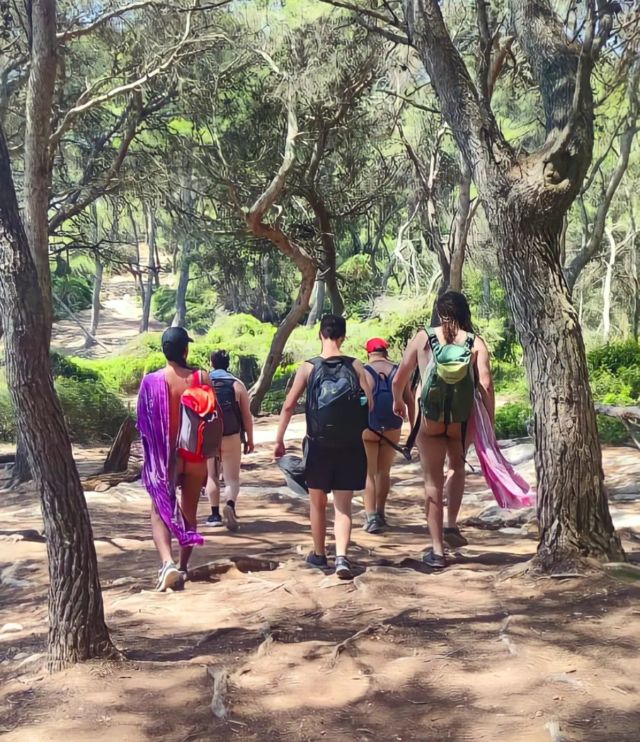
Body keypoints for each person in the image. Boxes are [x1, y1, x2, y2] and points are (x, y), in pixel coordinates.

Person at [392, 291, 494, 568]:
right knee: (457, 467)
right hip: (461, 420)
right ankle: (451, 524)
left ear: (439, 312)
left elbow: (399, 377)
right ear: (464, 312)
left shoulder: (423, 337)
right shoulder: (475, 342)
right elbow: (485, 385)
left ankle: (437, 550)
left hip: (429, 420)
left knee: (432, 482)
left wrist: (398, 402)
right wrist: (490, 422)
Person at [274, 314, 372, 580]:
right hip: (350, 445)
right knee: (343, 505)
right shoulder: (356, 366)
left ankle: (319, 554)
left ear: (320, 334)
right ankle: (341, 557)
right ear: (343, 337)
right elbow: (369, 404)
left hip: (318, 445)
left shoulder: (309, 368)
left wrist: (280, 439)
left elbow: (288, 405)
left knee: (317, 503)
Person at [137, 327, 219, 591]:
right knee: (189, 511)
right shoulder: (201, 376)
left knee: (159, 510)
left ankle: (167, 563)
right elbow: (212, 415)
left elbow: (143, 423)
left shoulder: (151, 381)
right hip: (194, 456)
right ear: (186, 350)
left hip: (166, 461)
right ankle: (183, 567)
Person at [361, 337, 415, 534]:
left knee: (369, 472)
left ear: (368, 353)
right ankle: (381, 513)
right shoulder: (398, 371)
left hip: (368, 427)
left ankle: (371, 516)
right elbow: (409, 401)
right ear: (386, 351)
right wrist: (413, 430)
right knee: (384, 472)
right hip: (392, 426)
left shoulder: (363, 371)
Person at [205, 350, 255, 530]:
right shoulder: (237, 384)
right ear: (228, 363)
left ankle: (214, 515)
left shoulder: (204, 383)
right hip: (232, 435)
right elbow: (246, 415)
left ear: (211, 362)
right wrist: (250, 439)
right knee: (232, 478)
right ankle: (230, 506)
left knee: (211, 475)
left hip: (210, 435)